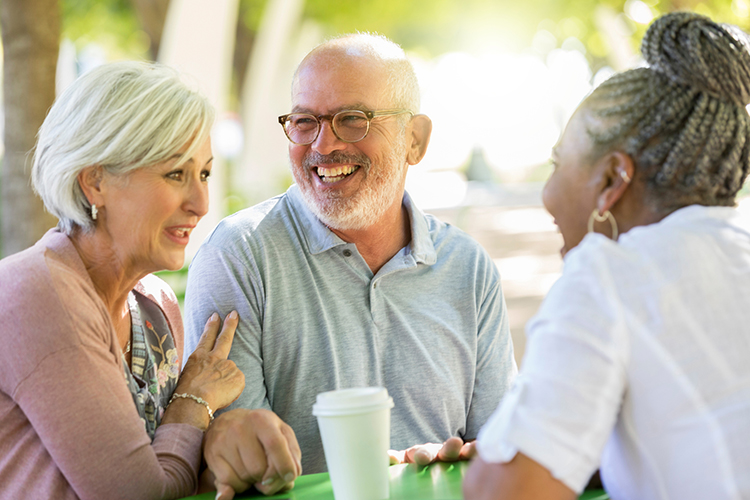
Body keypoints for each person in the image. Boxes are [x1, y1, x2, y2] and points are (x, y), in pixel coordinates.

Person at [184, 33, 517, 482]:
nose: (323, 145)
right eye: (305, 122)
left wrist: (458, 464)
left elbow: (501, 452)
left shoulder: (468, 269)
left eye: (352, 119)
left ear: (414, 140)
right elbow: (248, 463)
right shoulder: (240, 257)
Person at [464, 12, 750, 500]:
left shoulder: (609, 274)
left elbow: (501, 491)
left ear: (613, 180)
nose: (548, 193)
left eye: (558, 164)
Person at [0, 61, 300, 500]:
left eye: (205, 173)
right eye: (175, 173)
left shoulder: (155, 304)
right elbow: (137, 492)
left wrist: (224, 446)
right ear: (94, 182)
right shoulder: (38, 293)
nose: (201, 203)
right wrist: (194, 400)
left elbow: (168, 465)